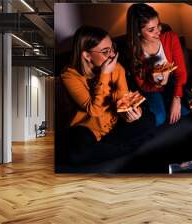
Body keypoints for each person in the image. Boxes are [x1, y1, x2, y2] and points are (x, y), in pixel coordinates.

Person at [61, 26, 153, 170]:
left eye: (112, 48)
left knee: (148, 119)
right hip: (88, 128)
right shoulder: (69, 76)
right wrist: (104, 74)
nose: (112, 55)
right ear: (87, 55)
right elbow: (94, 111)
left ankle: (110, 148)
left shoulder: (118, 68)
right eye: (105, 51)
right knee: (75, 153)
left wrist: (129, 115)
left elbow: (123, 101)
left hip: (114, 123)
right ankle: (128, 146)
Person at [126, 3, 190, 126]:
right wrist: (157, 83)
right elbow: (142, 85)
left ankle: (169, 100)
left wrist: (176, 99)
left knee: (186, 110)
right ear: (138, 32)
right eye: (151, 30)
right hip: (151, 88)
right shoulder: (134, 52)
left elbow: (181, 73)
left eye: (158, 26)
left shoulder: (170, 37)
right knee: (159, 118)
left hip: (172, 81)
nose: (158, 32)